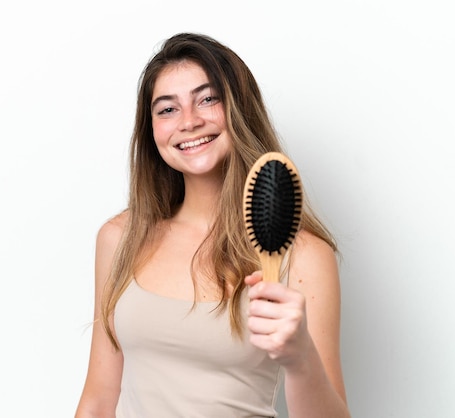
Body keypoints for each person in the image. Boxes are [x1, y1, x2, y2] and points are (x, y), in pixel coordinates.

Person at [75, 32, 351, 418]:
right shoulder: (120, 239)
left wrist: (300, 355)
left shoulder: (303, 256)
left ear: (239, 109)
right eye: (167, 109)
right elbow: (97, 402)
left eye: (208, 99)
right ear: (151, 130)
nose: (189, 121)